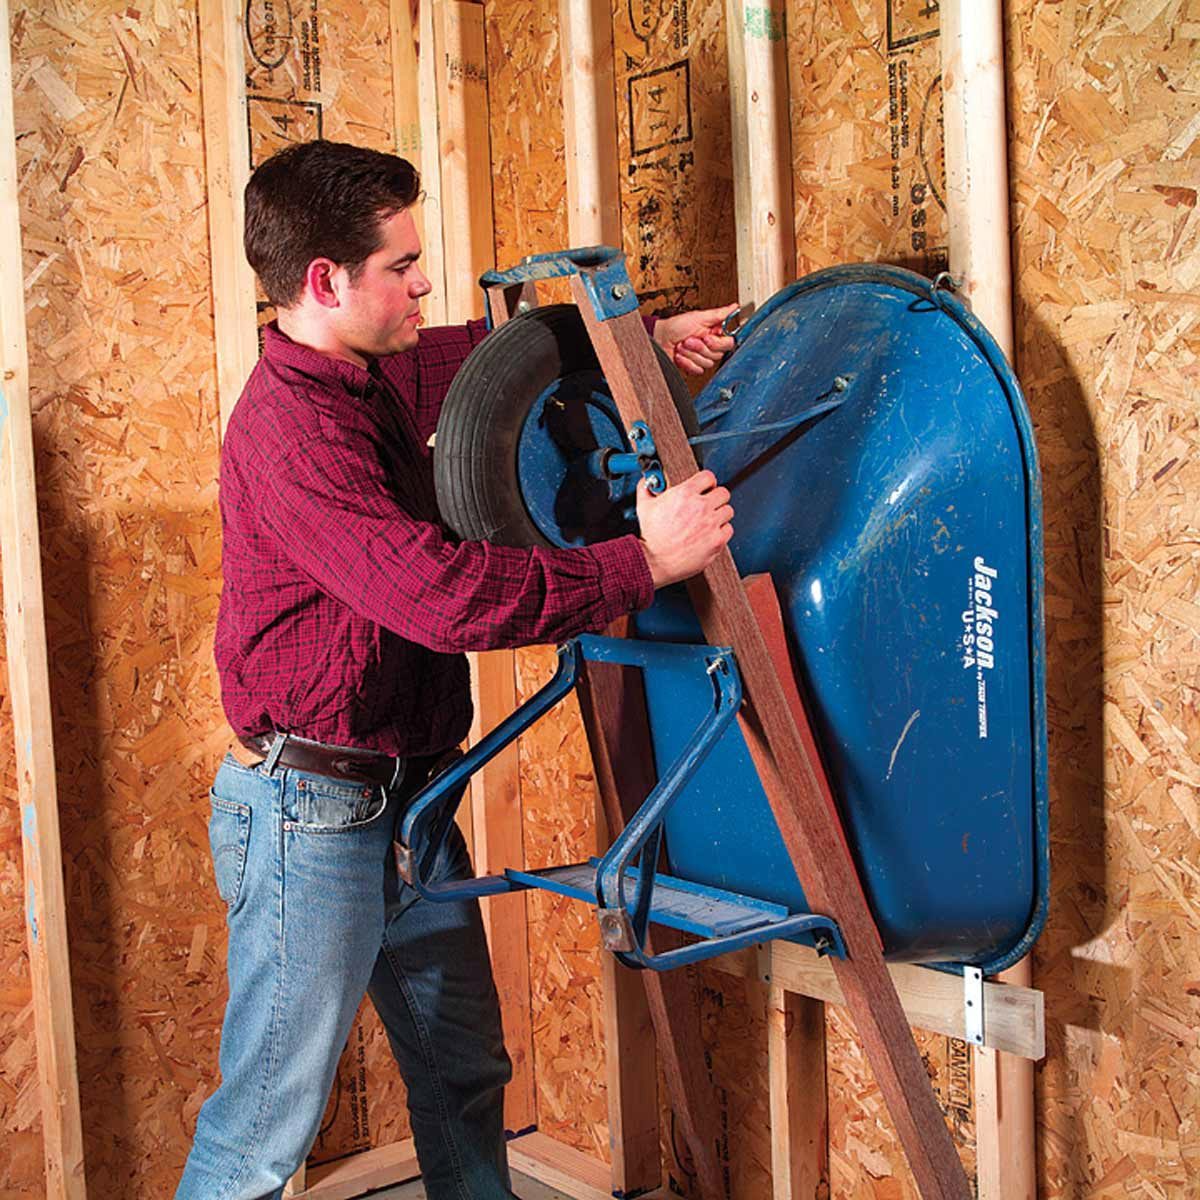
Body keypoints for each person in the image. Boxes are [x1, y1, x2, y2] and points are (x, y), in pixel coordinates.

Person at [176, 139, 735, 1200]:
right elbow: (439, 599)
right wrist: (645, 559)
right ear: (325, 282)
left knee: (463, 1076)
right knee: (262, 1132)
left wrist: (642, 343)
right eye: (403, 266)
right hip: (310, 817)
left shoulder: (367, 372)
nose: (423, 282)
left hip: (409, 801)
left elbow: (489, 366)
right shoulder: (294, 432)